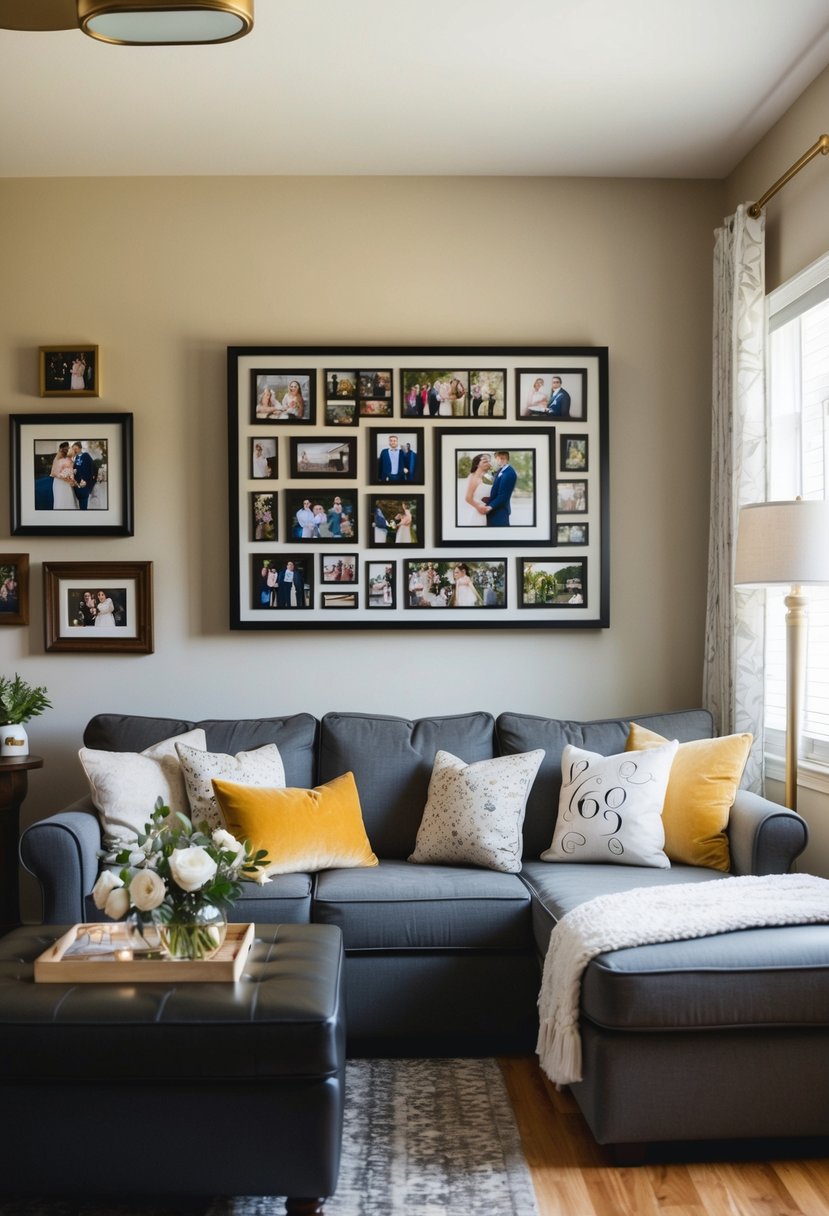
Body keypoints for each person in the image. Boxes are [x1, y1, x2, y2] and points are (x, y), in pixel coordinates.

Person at [483, 450, 516, 527]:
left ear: (506, 459)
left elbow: (503, 496)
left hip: (500, 512)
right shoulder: (501, 469)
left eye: (502, 458)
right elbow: (490, 480)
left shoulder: (509, 473)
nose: (499, 460)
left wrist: (489, 507)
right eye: (498, 458)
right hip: (495, 510)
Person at [460, 453, 491, 526]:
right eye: (484, 461)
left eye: (489, 461)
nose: (488, 463)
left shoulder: (486, 477)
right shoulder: (474, 478)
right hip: (476, 512)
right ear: (477, 464)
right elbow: (468, 498)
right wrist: (478, 507)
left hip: (483, 512)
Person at [49, 441, 78, 510]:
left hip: (67, 483)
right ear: (61, 449)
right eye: (66, 449)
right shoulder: (57, 459)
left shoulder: (68, 458)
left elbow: (70, 468)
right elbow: (53, 473)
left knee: (68, 499)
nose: (67, 450)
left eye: (67, 448)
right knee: (60, 499)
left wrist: (71, 476)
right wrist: (64, 477)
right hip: (59, 483)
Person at [70, 442, 96, 510]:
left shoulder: (86, 455)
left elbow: (93, 467)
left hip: (85, 485)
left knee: (84, 505)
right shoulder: (75, 458)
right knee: (80, 505)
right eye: (73, 449)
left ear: (80, 448)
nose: (74, 451)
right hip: (77, 485)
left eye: (76, 449)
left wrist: (89, 482)